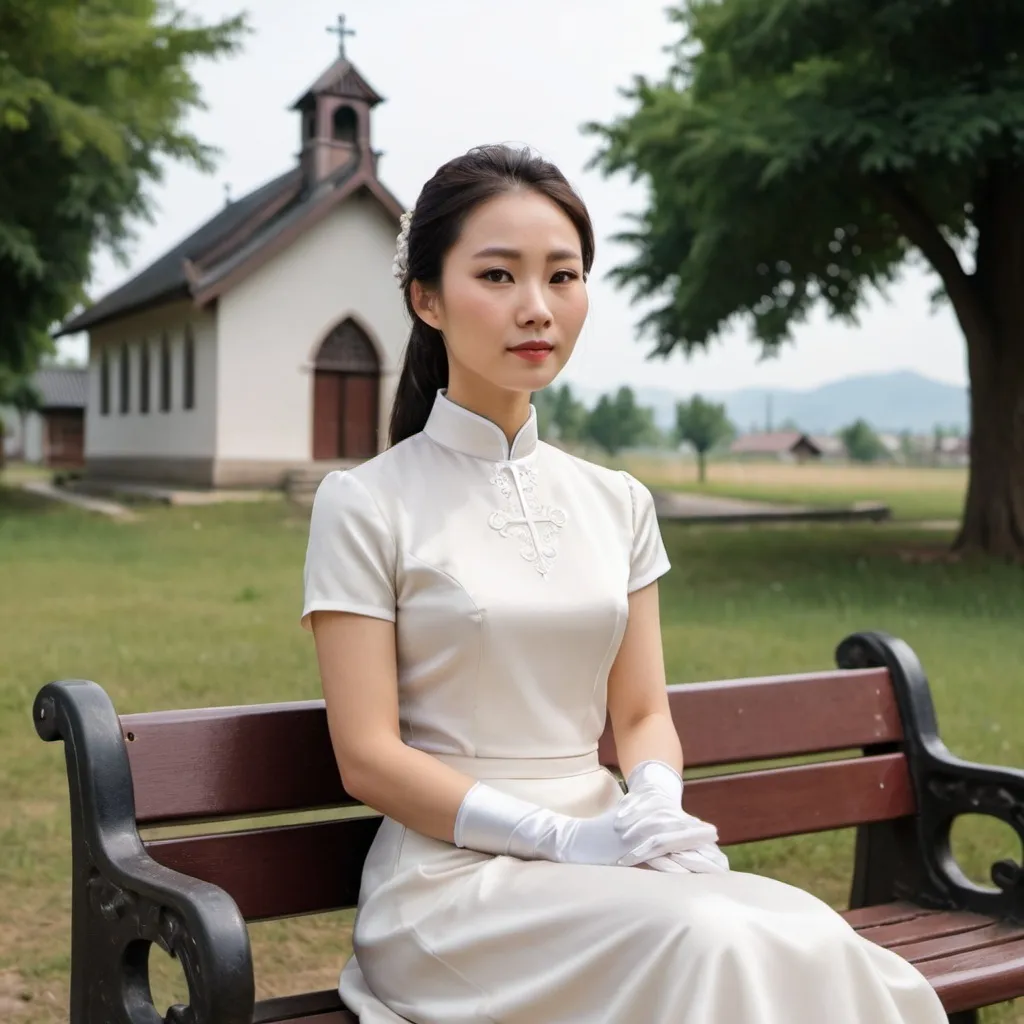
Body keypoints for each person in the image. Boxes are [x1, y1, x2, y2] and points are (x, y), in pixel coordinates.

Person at [301, 144, 947, 1023]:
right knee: (713, 943)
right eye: (498, 275)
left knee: (813, 938)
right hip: (454, 890)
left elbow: (641, 715)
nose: (537, 308)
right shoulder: (365, 502)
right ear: (427, 298)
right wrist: (560, 837)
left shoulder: (618, 502)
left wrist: (651, 802)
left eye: (562, 276)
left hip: (616, 858)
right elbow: (367, 755)